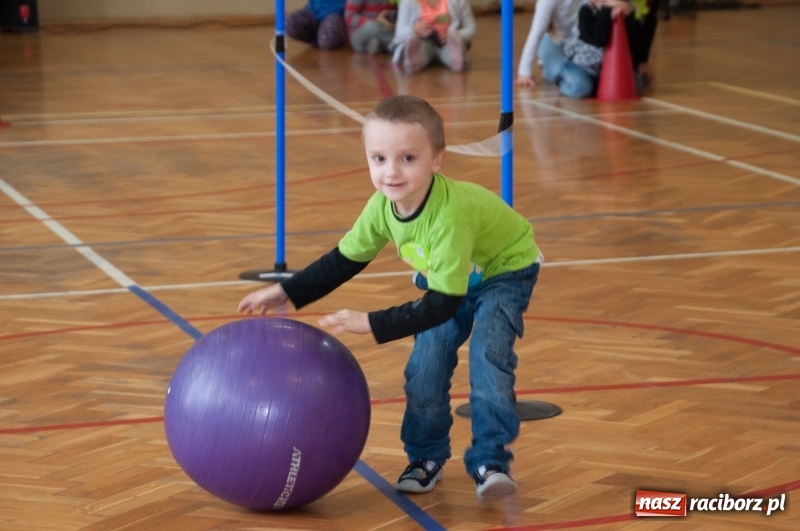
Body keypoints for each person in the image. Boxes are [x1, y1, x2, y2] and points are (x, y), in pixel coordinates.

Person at [238, 95, 542, 499]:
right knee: (425, 368)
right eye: (378, 158)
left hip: (504, 271)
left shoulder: (449, 217)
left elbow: (441, 305)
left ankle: (489, 462)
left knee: (489, 359)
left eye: (408, 158)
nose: (391, 172)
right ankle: (426, 457)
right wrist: (286, 291)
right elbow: (345, 259)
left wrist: (371, 322)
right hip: (447, 278)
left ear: (437, 159)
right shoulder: (382, 207)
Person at [538, 0, 659, 98]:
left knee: (636, 84)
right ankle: (560, 78)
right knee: (581, 88)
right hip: (581, 66)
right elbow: (598, 40)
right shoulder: (586, 11)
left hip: (603, 69)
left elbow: (633, 42)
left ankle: (596, 85)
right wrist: (606, 11)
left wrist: (630, 14)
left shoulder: (619, 10)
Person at [390, 0, 477, 74]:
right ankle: (414, 61)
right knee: (421, 55)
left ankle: (458, 61)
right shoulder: (408, 2)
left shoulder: (459, 1)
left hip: (447, 42)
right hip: (422, 42)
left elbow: (471, 28)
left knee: (452, 57)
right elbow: (399, 33)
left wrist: (456, 35)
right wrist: (413, 28)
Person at [515, 0, 583, 89]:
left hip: (577, 44)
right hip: (554, 42)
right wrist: (524, 72)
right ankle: (548, 66)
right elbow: (536, 32)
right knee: (576, 81)